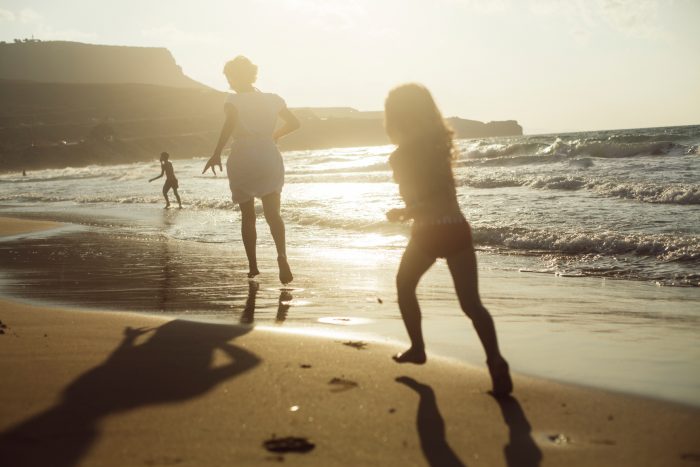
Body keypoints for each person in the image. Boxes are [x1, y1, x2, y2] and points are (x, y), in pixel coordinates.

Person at [384, 83, 512, 396]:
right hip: (456, 228)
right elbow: (443, 197)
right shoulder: (439, 146)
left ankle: (417, 347)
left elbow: (424, 202)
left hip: (429, 232)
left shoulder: (402, 156)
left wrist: (403, 212)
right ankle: (495, 361)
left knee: (404, 285)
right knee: (472, 305)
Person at [203, 56, 300, 284]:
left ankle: (253, 266)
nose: (228, 81)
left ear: (236, 76)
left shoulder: (233, 100)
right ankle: (282, 256)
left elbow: (228, 126)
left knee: (248, 217)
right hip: (268, 154)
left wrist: (216, 152)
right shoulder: (273, 99)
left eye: (229, 76)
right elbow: (295, 123)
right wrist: (273, 136)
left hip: (244, 156)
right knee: (273, 214)